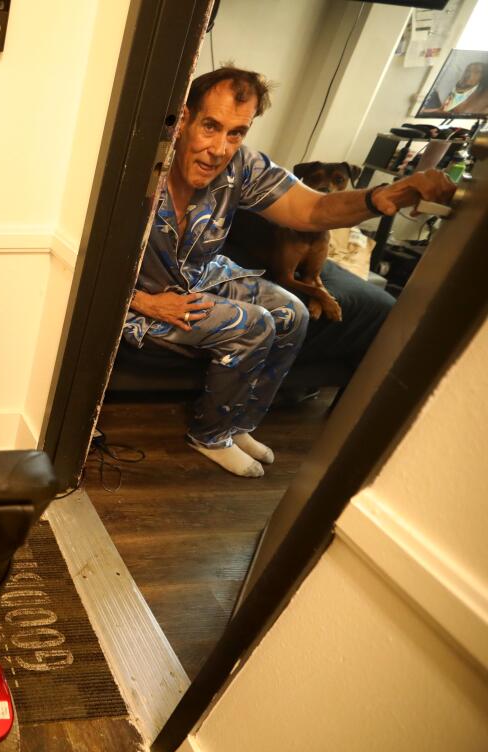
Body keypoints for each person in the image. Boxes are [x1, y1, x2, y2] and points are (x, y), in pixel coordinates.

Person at [123, 66, 455, 478]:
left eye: (236, 133)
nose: (220, 148)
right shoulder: (139, 165)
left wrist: (381, 197)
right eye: (211, 126)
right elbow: (87, 257)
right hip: (138, 300)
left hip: (200, 275)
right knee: (253, 324)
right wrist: (143, 301)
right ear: (184, 117)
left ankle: (237, 423)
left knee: (293, 311)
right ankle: (209, 434)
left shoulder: (239, 165)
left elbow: (312, 208)